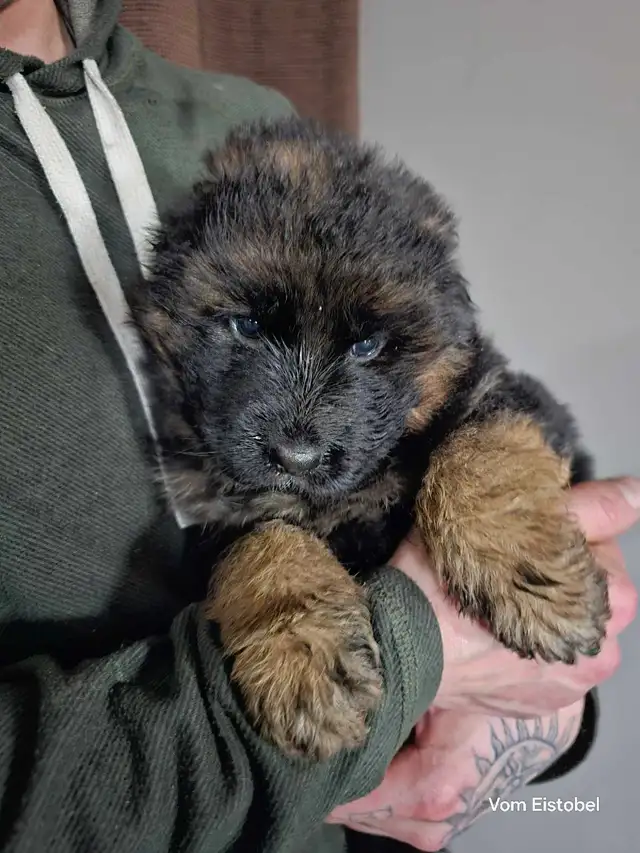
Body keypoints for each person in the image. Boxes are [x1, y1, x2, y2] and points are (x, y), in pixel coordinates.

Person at [0, 2, 636, 851]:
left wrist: (547, 710)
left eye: (370, 343)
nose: (298, 436)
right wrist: (419, 649)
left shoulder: (249, 118)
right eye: (246, 328)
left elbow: (493, 402)